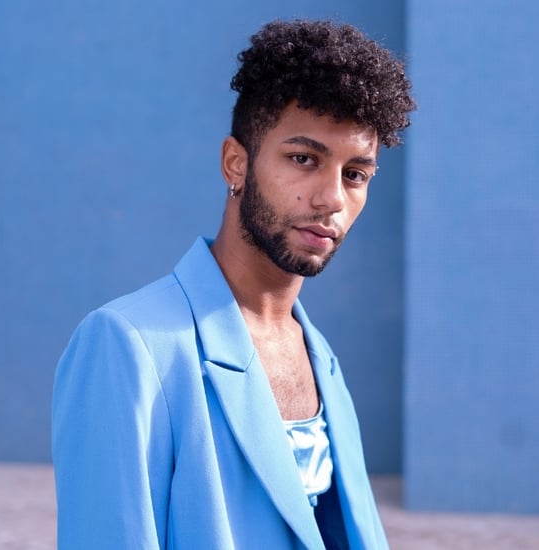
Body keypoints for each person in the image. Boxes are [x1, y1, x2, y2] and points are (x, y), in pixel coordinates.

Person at [52, 19, 415, 550]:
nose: (331, 198)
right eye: (303, 159)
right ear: (236, 163)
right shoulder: (127, 345)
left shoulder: (320, 357)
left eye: (355, 174)